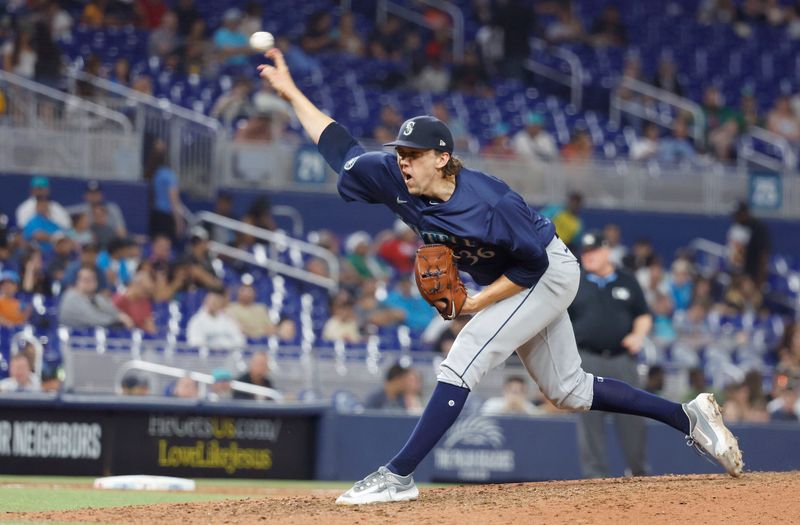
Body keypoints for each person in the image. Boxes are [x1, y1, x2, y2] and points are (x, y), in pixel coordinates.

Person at [258, 48, 743, 505]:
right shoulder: (389, 175)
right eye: (400, 152)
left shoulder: (490, 203)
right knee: (568, 391)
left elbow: (532, 267)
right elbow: (337, 145)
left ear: (442, 158)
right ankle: (688, 416)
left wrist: (474, 304)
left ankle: (397, 476)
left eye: (414, 154)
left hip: (547, 271)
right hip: (519, 277)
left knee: (465, 354)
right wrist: (290, 92)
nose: (402, 160)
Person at [568, 231, 653, 479]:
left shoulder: (627, 280)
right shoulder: (577, 282)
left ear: (606, 251)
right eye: (585, 253)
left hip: (622, 359)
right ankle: (595, 476)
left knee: (633, 419)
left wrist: (638, 335)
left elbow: (643, 314)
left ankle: (638, 471)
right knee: (589, 420)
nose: (589, 257)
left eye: (593, 251)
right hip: (587, 359)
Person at [58, 267, 135, 329]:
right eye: (85, 280)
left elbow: (112, 310)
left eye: (92, 279)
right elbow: (94, 319)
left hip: (88, 337)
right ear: (77, 282)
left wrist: (121, 316)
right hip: (71, 340)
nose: (88, 283)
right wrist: (117, 321)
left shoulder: (96, 297)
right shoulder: (71, 297)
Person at [144, 140, 184, 242]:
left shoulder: (154, 174)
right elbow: (174, 200)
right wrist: (178, 221)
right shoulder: (169, 175)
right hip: (166, 217)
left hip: (155, 215)